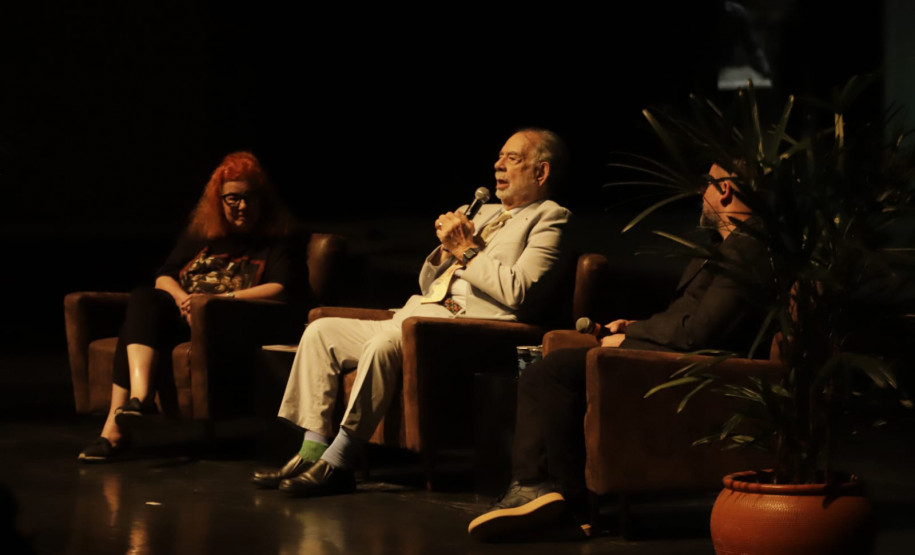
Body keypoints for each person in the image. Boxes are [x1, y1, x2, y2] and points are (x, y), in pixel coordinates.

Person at [251, 128, 574, 497]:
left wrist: (466, 250)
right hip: (421, 313)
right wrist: (444, 250)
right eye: (499, 157)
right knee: (321, 331)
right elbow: (427, 283)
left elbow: (520, 292)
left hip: (465, 329)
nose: (498, 165)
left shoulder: (551, 218)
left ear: (541, 173)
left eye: (512, 159)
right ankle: (311, 451)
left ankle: (340, 461)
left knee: (383, 345)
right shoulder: (485, 213)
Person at [467, 162, 770, 541]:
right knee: (555, 366)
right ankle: (548, 494)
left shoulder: (749, 247)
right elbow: (684, 316)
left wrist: (632, 339)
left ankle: (550, 494)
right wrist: (632, 327)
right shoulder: (719, 247)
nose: (699, 194)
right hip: (666, 352)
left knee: (552, 371)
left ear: (724, 190)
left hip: (701, 368)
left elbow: (702, 332)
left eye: (705, 184)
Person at [78, 151, 301, 462]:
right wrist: (183, 299)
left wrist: (214, 301)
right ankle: (140, 400)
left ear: (263, 201)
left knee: (134, 328)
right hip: (184, 314)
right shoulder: (202, 235)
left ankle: (112, 431)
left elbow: (281, 289)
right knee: (144, 299)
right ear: (220, 200)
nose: (242, 206)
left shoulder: (276, 240)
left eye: (250, 198)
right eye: (232, 199)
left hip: (228, 322)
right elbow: (165, 277)